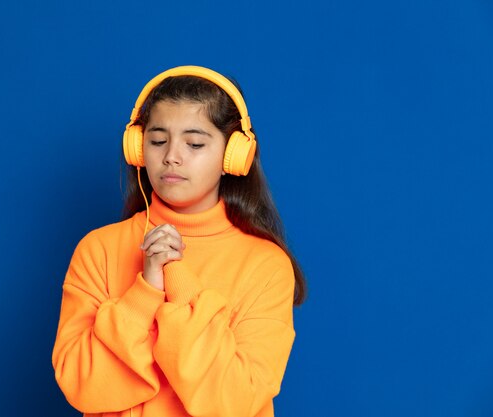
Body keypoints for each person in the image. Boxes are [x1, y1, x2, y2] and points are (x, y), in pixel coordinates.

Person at [52, 65, 306, 417]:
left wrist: (179, 284)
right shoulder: (99, 250)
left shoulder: (265, 265)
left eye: (195, 143)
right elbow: (81, 384)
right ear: (138, 150)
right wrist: (145, 292)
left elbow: (235, 402)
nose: (171, 155)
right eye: (158, 141)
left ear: (233, 157)